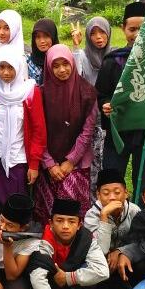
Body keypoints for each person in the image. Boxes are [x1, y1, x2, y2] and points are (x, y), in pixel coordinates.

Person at [97, 2, 145, 197]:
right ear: (123, 29)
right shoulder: (112, 61)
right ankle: (114, 212)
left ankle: (140, 212)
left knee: (144, 183)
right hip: (118, 133)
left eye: (142, 29)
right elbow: (101, 94)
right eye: (132, 29)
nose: (137, 34)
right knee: (112, 180)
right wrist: (105, 105)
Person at [34, 45, 98, 223]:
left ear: (72, 63)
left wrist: (70, 161)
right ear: (48, 67)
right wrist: (49, 164)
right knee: (48, 217)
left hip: (77, 163)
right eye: (56, 66)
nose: (62, 70)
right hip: (48, 165)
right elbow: (38, 131)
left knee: (73, 217)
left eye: (65, 64)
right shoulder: (41, 94)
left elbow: (87, 131)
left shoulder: (87, 92)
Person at [28, 198, 109, 289]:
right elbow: (37, 276)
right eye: (59, 221)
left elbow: (103, 271)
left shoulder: (86, 239)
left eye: (71, 221)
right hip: (51, 280)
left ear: (79, 225)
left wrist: (68, 277)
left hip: (69, 282)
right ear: (51, 223)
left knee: (92, 269)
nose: (65, 226)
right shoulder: (43, 239)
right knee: (39, 267)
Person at [0, 49, 46, 217]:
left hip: (17, 160)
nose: (5, 73)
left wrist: (34, 164)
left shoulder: (30, 92)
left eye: (10, 67)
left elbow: (39, 130)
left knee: (14, 210)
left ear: (19, 67)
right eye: (1, 67)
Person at [83, 168, 143, 287]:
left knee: (144, 265)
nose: (112, 197)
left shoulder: (134, 211)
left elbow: (141, 242)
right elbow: (101, 250)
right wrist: (104, 216)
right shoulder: (92, 215)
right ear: (98, 195)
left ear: (126, 193)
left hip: (125, 256)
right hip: (101, 260)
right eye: (106, 193)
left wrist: (121, 251)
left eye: (117, 192)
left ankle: (131, 286)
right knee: (90, 267)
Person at [71, 16, 112, 85]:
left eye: (102, 32)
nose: (98, 37)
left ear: (108, 32)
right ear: (88, 36)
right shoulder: (82, 55)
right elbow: (75, 77)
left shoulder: (115, 54)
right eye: (93, 33)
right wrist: (76, 45)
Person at [26, 18, 58, 85]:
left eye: (46, 36)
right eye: (38, 37)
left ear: (53, 37)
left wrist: (76, 47)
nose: (42, 41)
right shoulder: (27, 62)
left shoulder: (60, 58)